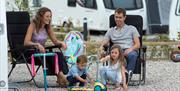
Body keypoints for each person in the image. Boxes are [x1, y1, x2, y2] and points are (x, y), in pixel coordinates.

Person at [24, 7, 68, 87]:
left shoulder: (47, 27)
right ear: (41, 17)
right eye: (47, 16)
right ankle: (62, 77)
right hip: (30, 52)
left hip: (41, 52)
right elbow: (26, 42)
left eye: (50, 16)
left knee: (58, 54)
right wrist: (36, 44)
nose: (49, 18)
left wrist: (62, 43)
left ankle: (60, 77)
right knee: (49, 56)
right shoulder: (33, 25)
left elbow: (55, 41)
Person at [100, 8, 140, 77]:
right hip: (117, 51)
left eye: (120, 17)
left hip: (129, 50)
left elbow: (138, 44)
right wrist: (101, 47)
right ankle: (115, 76)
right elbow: (104, 42)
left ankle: (126, 76)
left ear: (124, 17)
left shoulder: (132, 29)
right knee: (113, 54)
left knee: (132, 55)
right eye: (116, 17)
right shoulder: (111, 30)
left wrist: (130, 49)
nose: (118, 19)